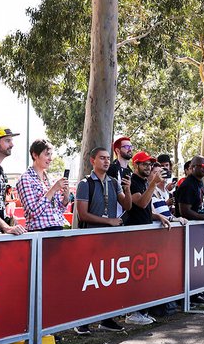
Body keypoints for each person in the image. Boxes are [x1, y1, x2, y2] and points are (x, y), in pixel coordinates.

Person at [74, 146, 132, 333]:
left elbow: (128, 205)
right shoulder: (85, 184)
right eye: (102, 158)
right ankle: (82, 321)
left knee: (108, 280)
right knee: (89, 281)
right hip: (90, 239)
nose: (106, 161)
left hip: (110, 240)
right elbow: (82, 215)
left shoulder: (114, 182)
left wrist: (128, 190)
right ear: (92, 161)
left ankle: (107, 319)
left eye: (108, 158)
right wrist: (109, 221)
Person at [123, 151, 172, 325]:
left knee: (143, 275)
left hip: (144, 233)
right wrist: (153, 184)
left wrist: (158, 216)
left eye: (150, 164)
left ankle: (141, 310)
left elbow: (146, 209)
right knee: (134, 275)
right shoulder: (133, 181)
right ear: (135, 165)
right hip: (133, 234)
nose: (148, 167)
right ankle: (132, 313)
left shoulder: (144, 182)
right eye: (144, 164)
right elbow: (140, 203)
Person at [16, 139, 70, 232]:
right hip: (40, 232)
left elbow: (57, 210)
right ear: (35, 155)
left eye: (51, 154)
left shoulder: (50, 179)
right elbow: (33, 212)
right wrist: (53, 190)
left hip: (58, 228)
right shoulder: (25, 179)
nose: (50, 158)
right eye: (46, 154)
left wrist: (66, 198)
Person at [176, 156, 204, 221]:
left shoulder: (200, 182)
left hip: (200, 226)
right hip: (188, 227)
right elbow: (185, 212)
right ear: (193, 167)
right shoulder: (187, 185)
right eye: (202, 165)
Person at [108, 136, 133, 218]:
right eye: (126, 147)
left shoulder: (131, 172)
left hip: (128, 218)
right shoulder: (111, 169)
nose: (130, 149)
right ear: (117, 150)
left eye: (130, 146)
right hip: (113, 216)